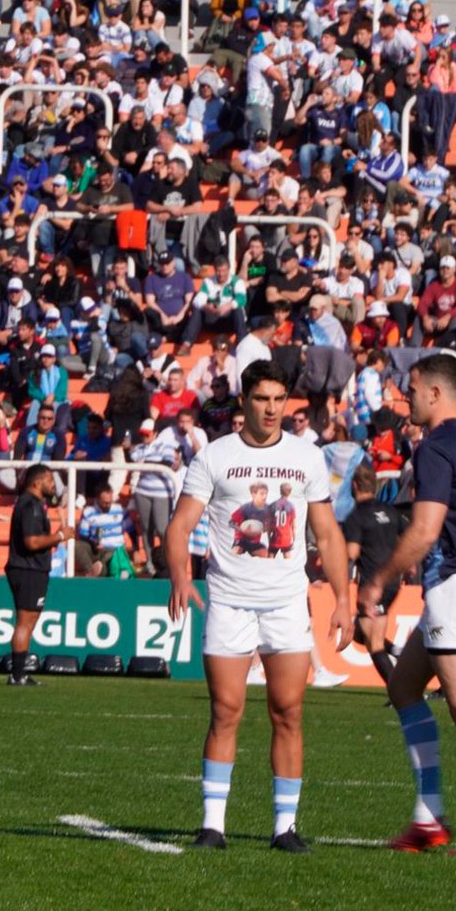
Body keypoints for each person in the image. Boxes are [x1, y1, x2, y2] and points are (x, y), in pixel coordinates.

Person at [165, 360, 352, 852]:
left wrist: (343, 599)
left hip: (287, 604)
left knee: (287, 711)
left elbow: (327, 533)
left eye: (278, 399)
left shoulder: (307, 457)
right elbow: (181, 525)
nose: (271, 409)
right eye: (262, 399)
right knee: (226, 710)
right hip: (228, 601)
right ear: (244, 400)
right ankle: (212, 826)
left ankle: (284, 828)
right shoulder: (215, 456)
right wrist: (181, 576)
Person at [356, 353, 456, 858]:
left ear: (434, 392)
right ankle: (429, 818)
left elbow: (425, 531)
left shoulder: (436, 447)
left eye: (411, 388)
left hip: (454, 582)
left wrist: (378, 583)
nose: (405, 397)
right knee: (405, 687)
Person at [5, 463, 73, 686]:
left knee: (30, 621)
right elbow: (31, 541)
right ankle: (17, 675)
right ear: (37, 482)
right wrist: (60, 536)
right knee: (25, 622)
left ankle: (19, 673)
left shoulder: (33, 504)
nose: (53, 485)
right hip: (27, 568)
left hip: (33, 568)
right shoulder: (30, 505)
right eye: (50, 480)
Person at [342, 463, 407, 689]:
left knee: (374, 643)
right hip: (393, 582)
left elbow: (351, 553)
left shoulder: (356, 517)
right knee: (360, 634)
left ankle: (399, 692)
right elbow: (408, 536)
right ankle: (397, 651)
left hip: (373, 585)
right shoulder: (390, 511)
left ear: (355, 485)